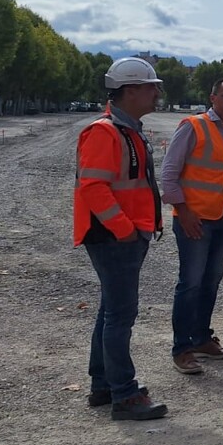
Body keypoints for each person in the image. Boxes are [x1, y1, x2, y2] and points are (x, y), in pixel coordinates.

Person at [73, 58, 168, 421]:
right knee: (120, 315)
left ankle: (103, 384)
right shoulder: (105, 132)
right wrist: (124, 229)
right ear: (130, 91)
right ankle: (124, 394)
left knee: (110, 311)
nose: (156, 92)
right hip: (114, 237)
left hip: (123, 235)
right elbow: (93, 187)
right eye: (151, 87)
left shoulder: (127, 129)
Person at [161, 77, 223, 376]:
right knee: (190, 283)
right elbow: (169, 173)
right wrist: (182, 210)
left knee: (211, 280)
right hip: (195, 219)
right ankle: (181, 349)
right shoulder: (193, 126)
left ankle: (201, 338)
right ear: (213, 98)